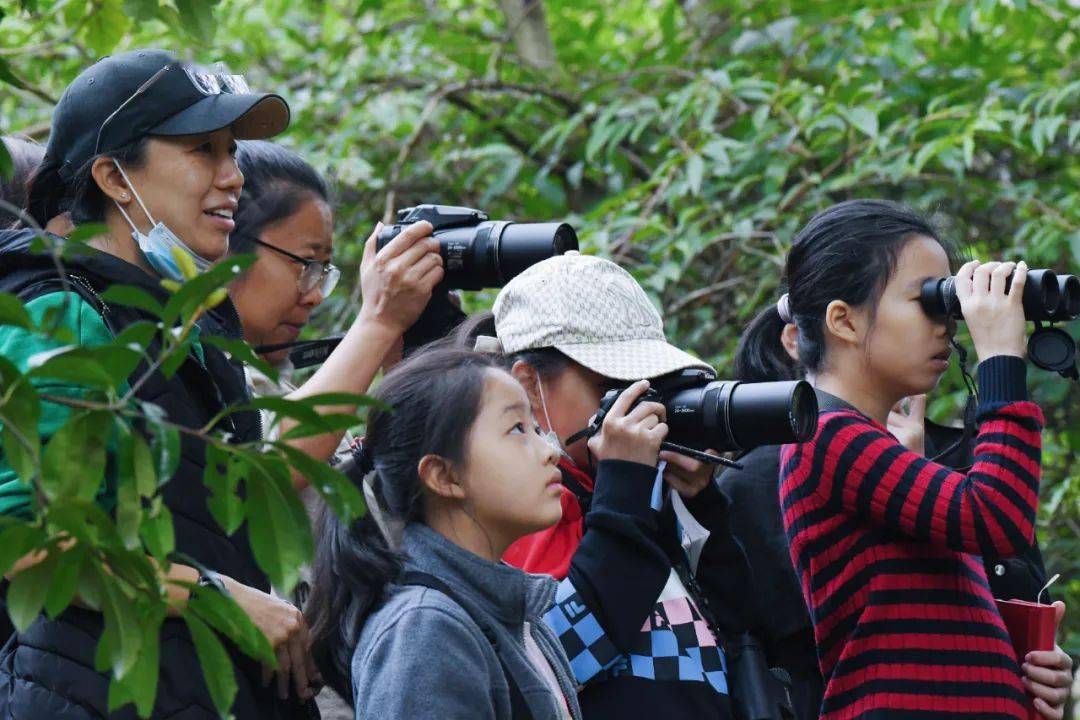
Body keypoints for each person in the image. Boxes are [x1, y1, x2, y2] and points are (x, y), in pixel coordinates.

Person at [0, 49, 318, 718]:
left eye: (233, 151)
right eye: (203, 149)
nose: (234, 177)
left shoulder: (180, 314)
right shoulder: (58, 310)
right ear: (115, 176)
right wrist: (215, 595)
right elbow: (24, 545)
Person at [736, 199, 1073, 719]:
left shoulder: (872, 449)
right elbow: (998, 517)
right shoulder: (825, 436)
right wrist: (1002, 363)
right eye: (928, 302)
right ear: (843, 321)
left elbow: (921, 618)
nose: (947, 324)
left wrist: (1016, 670)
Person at [458, 253, 749, 720]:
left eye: (648, 386)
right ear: (530, 386)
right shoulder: (509, 502)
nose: (636, 409)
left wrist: (701, 504)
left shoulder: (630, 486)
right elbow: (559, 657)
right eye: (611, 389)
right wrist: (625, 490)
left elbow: (733, 632)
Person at [227, 140, 443, 719]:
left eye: (323, 268)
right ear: (224, 245)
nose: (315, 293)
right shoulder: (194, 372)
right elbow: (271, 468)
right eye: (303, 263)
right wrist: (375, 323)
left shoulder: (279, 382)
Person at [306, 347, 582, 719]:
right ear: (444, 476)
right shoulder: (425, 632)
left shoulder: (518, 612)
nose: (551, 451)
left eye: (535, 427)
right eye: (517, 429)